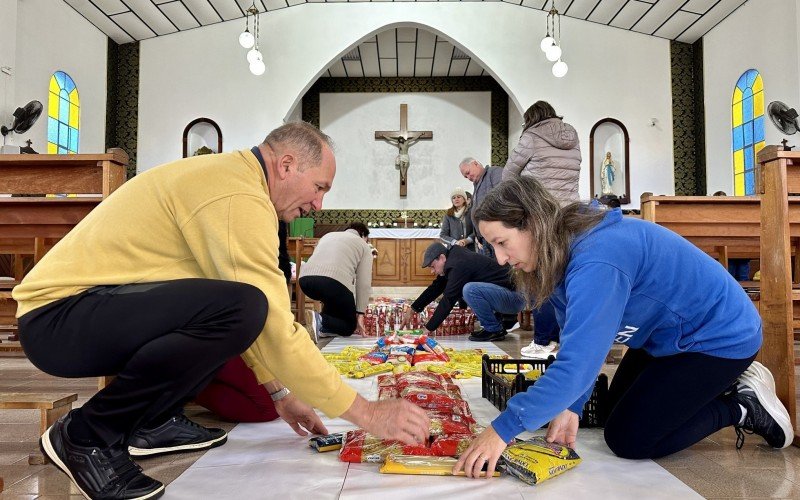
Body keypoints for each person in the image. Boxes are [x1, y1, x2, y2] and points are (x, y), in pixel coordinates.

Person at [13, 122, 430, 499]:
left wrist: (278, 393)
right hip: (58, 318)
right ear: (286, 164)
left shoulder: (236, 182)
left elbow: (231, 314)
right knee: (248, 305)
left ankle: (150, 422)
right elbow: (266, 320)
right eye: (320, 187)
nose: (319, 205)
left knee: (237, 306)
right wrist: (367, 412)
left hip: (88, 312)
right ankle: (87, 435)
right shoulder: (236, 194)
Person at [454, 176, 792, 479]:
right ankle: (709, 388)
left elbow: (576, 367)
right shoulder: (558, 254)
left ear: (532, 225)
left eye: (501, 242)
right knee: (613, 412)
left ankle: (742, 406)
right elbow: (579, 346)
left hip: (718, 336)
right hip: (665, 336)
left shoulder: (596, 258)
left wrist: (502, 430)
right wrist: (571, 406)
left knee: (630, 439)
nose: (499, 259)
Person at [403, 241, 516, 342]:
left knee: (469, 290)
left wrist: (427, 329)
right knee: (466, 289)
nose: (432, 271)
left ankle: (494, 330)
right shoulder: (453, 258)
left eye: (432, 266)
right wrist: (414, 308)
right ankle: (495, 326)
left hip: (512, 297)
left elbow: (448, 299)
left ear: (442, 258)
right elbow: (437, 286)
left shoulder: (458, 264)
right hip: (503, 295)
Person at [299, 221, 373, 340]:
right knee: (349, 325)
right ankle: (320, 320)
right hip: (332, 282)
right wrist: (360, 312)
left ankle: (320, 328)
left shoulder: (327, 236)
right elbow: (363, 283)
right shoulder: (363, 245)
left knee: (334, 301)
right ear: (363, 235)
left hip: (305, 281)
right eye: (367, 239)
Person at [502, 100, 581, 205]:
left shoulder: (531, 137)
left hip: (540, 208)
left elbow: (508, 176)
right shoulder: (572, 137)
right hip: (570, 207)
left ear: (530, 119)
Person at [458, 158, 503, 258]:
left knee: (500, 270)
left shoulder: (494, 172)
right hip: (484, 239)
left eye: (468, 173)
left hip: (496, 234)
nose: (468, 177)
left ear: (475, 164)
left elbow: (502, 198)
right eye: (466, 177)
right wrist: (477, 235)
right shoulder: (477, 184)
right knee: (490, 270)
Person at [712, 191, 751, 281]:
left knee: (742, 275)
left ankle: (744, 293)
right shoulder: (734, 213)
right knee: (731, 274)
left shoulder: (735, 212)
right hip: (728, 248)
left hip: (741, 247)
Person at [440, 187, 475, 251]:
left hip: (470, 249)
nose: (456, 199)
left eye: (459, 197)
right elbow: (443, 235)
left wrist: (467, 240)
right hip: (454, 250)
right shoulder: (448, 214)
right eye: (454, 198)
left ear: (464, 199)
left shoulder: (471, 212)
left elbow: (476, 230)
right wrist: (455, 242)